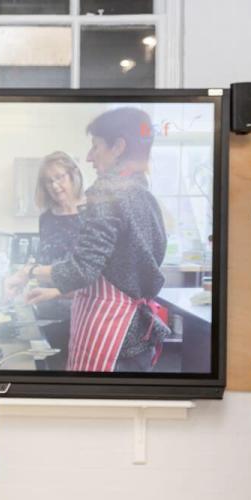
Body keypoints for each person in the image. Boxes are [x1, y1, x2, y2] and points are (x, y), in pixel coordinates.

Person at [26, 107, 170, 372]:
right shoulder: (144, 195)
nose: (90, 157)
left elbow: (84, 269)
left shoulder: (106, 193)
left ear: (118, 147)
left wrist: (30, 272)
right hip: (138, 333)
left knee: (93, 412)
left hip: (111, 334)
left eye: (96, 147)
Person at [5, 151, 86, 368]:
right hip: (48, 310)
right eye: (48, 181)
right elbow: (44, 258)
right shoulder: (47, 217)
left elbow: (88, 272)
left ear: (74, 175)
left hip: (82, 313)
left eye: (59, 177)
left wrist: (56, 291)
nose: (55, 185)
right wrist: (22, 275)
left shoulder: (93, 214)